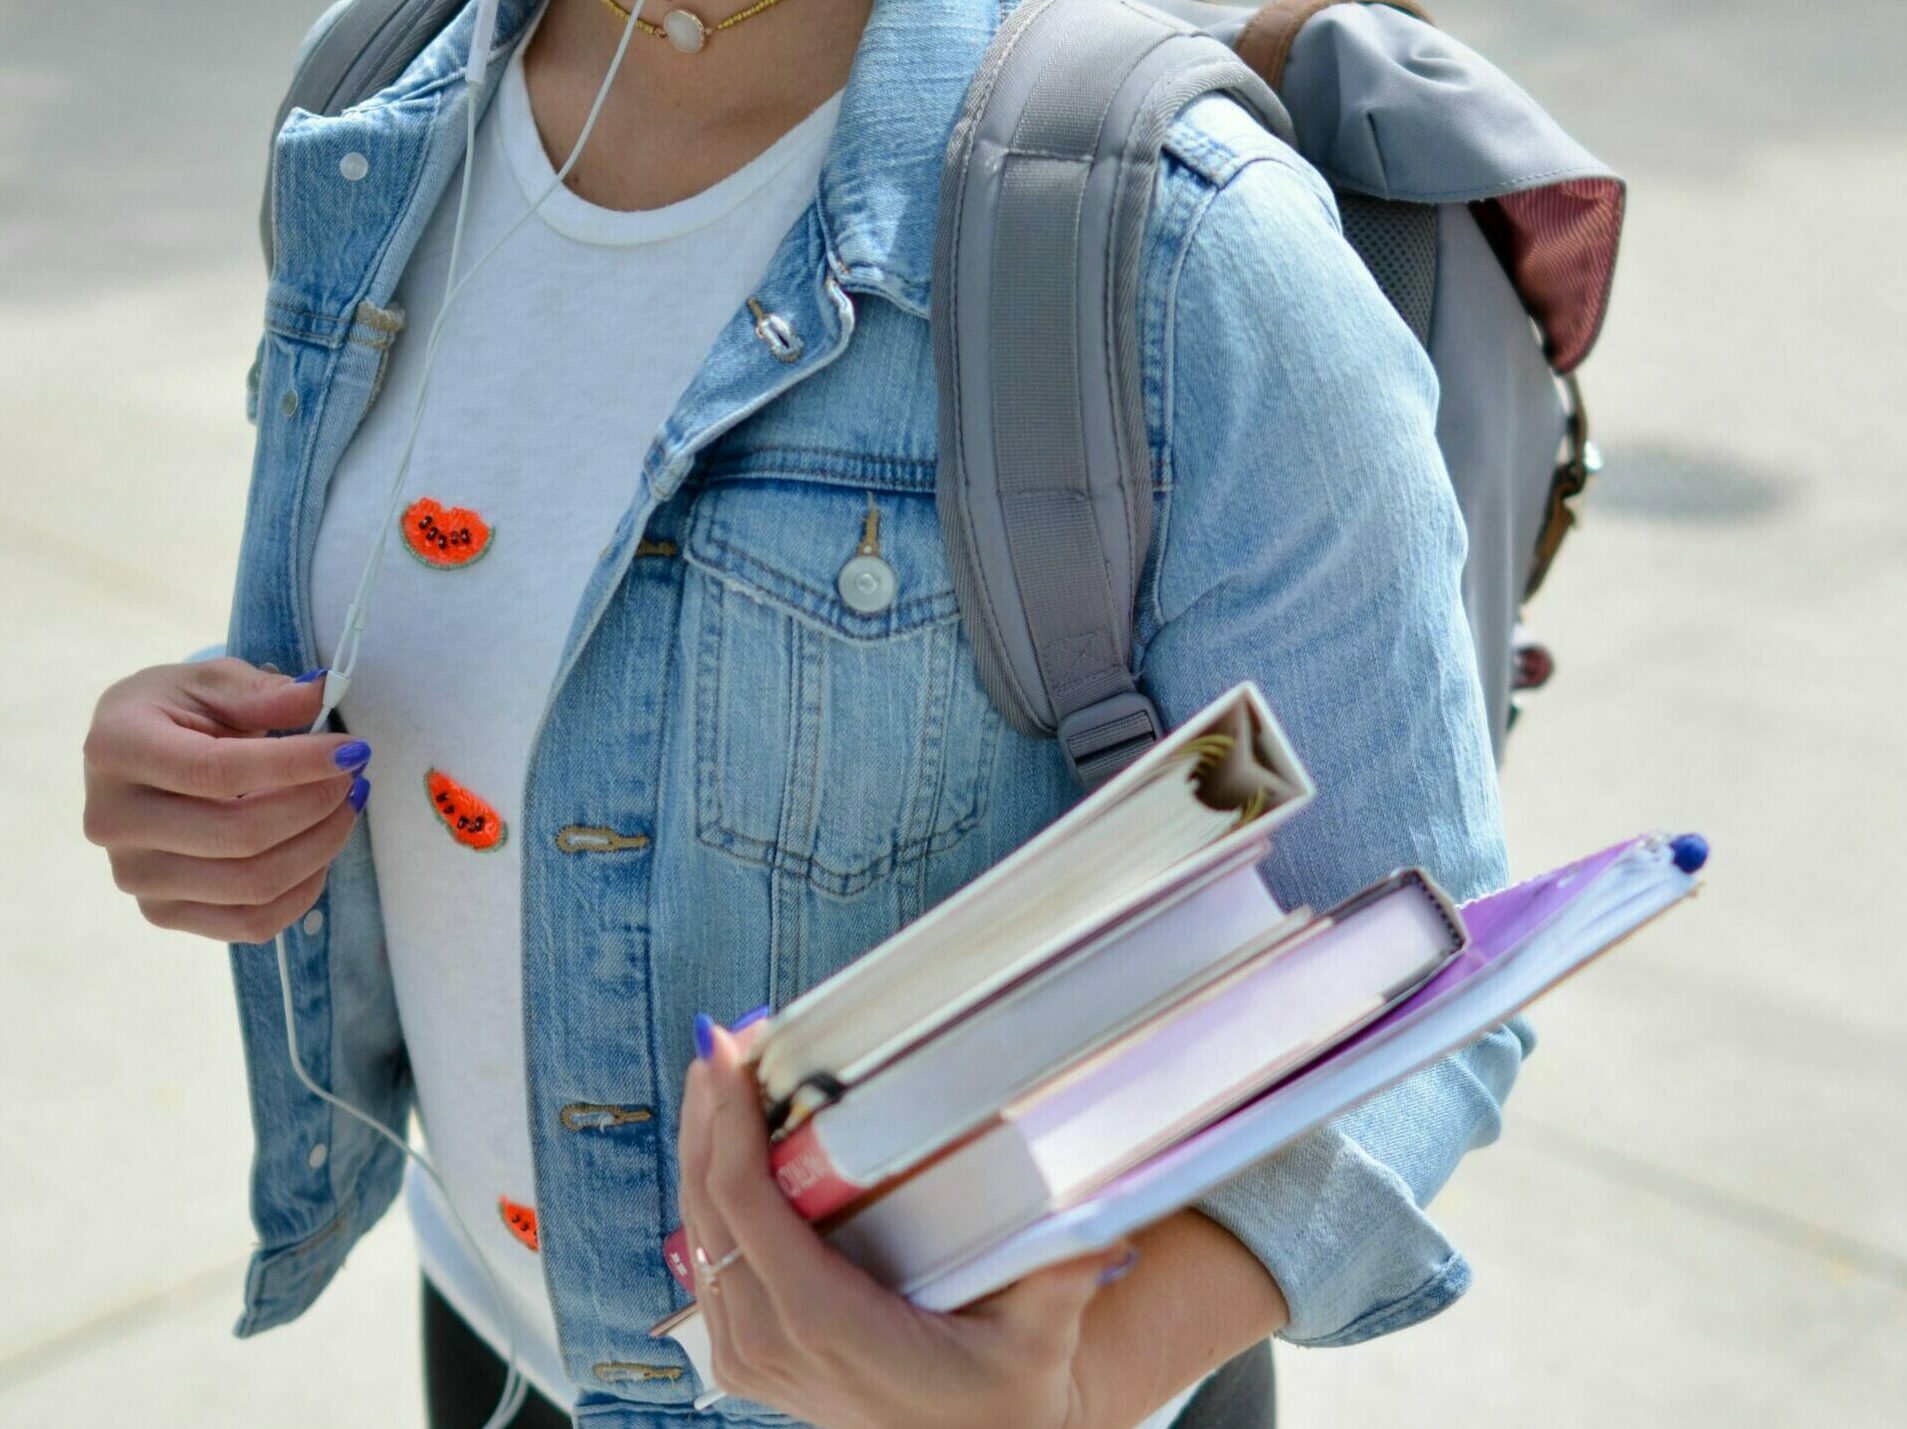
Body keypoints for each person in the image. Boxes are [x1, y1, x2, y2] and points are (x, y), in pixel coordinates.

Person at [80, 0, 1529, 1424]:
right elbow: (474, 633)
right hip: (496, 1333)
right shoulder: (379, 100)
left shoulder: (1177, 240)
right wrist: (211, 770)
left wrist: (1083, 1384)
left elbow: (1414, 960)